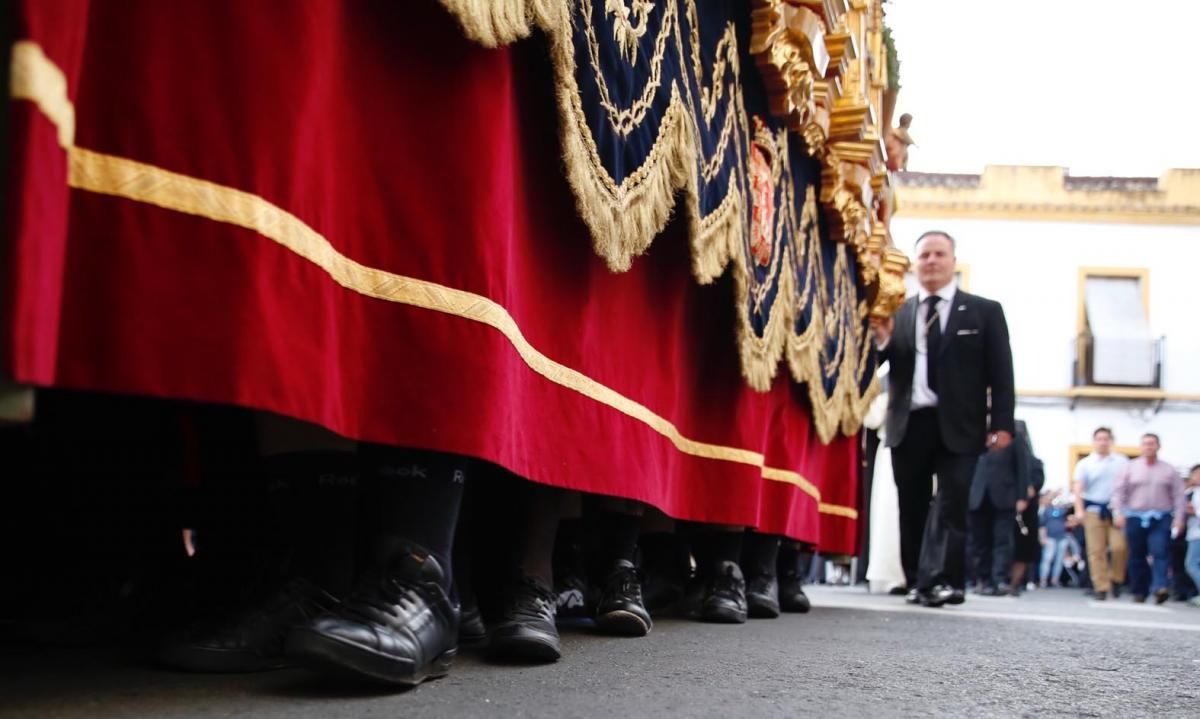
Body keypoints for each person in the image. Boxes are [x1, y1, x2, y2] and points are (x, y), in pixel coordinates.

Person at [874, 230, 1015, 608]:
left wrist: (1002, 422)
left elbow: (1001, 372)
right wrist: (883, 342)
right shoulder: (898, 313)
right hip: (909, 423)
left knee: (952, 505)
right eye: (924, 256)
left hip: (961, 425)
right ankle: (918, 581)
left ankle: (949, 580)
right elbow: (876, 367)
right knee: (913, 505)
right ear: (915, 265)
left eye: (939, 254)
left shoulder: (985, 311)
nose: (931, 261)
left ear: (953, 261)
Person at [1110, 433, 1186, 604]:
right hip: (1135, 517)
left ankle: (1160, 587)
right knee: (1137, 555)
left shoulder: (1169, 470)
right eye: (1145, 444)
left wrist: (1179, 518)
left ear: (1158, 446)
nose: (1149, 447)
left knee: (1160, 552)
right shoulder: (1130, 468)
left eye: (1152, 444)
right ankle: (1139, 591)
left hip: (1160, 517)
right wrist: (1118, 513)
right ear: (1141, 447)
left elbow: (1179, 496)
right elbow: (1118, 492)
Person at [968, 420, 1037, 595]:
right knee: (979, 542)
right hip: (978, 495)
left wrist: (1021, 496)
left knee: (1002, 541)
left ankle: (999, 580)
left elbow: (1022, 467)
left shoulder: (1013, 434)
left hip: (1005, 496)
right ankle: (983, 580)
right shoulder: (974, 429)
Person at [1072, 427, 1129, 600]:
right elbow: (1078, 488)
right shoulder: (1086, 463)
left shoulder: (1122, 462)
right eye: (1099, 439)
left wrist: (1125, 511)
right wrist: (1079, 510)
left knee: (1119, 547)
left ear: (1111, 441)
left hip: (1116, 510)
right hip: (1093, 510)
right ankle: (1101, 586)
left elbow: (1128, 488)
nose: (1103, 442)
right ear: (1094, 441)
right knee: (1095, 551)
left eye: (1106, 439)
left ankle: (1116, 578)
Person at [1038, 493, 1071, 588]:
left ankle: (1055, 580)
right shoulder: (1047, 510)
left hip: (1062, 537)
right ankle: (1043, 580)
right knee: (1047, 559)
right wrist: (1042, 537)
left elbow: (1070, 519)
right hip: (1050, 537)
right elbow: (1042, 525)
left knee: (1059, 560)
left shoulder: (1064, 510)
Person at [1183, 465, 1200, 608]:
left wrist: (1194, 512)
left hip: (1198, 534)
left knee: (1191, 564)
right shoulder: (1190, 492)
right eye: (1195, 474)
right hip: (1192, 532)